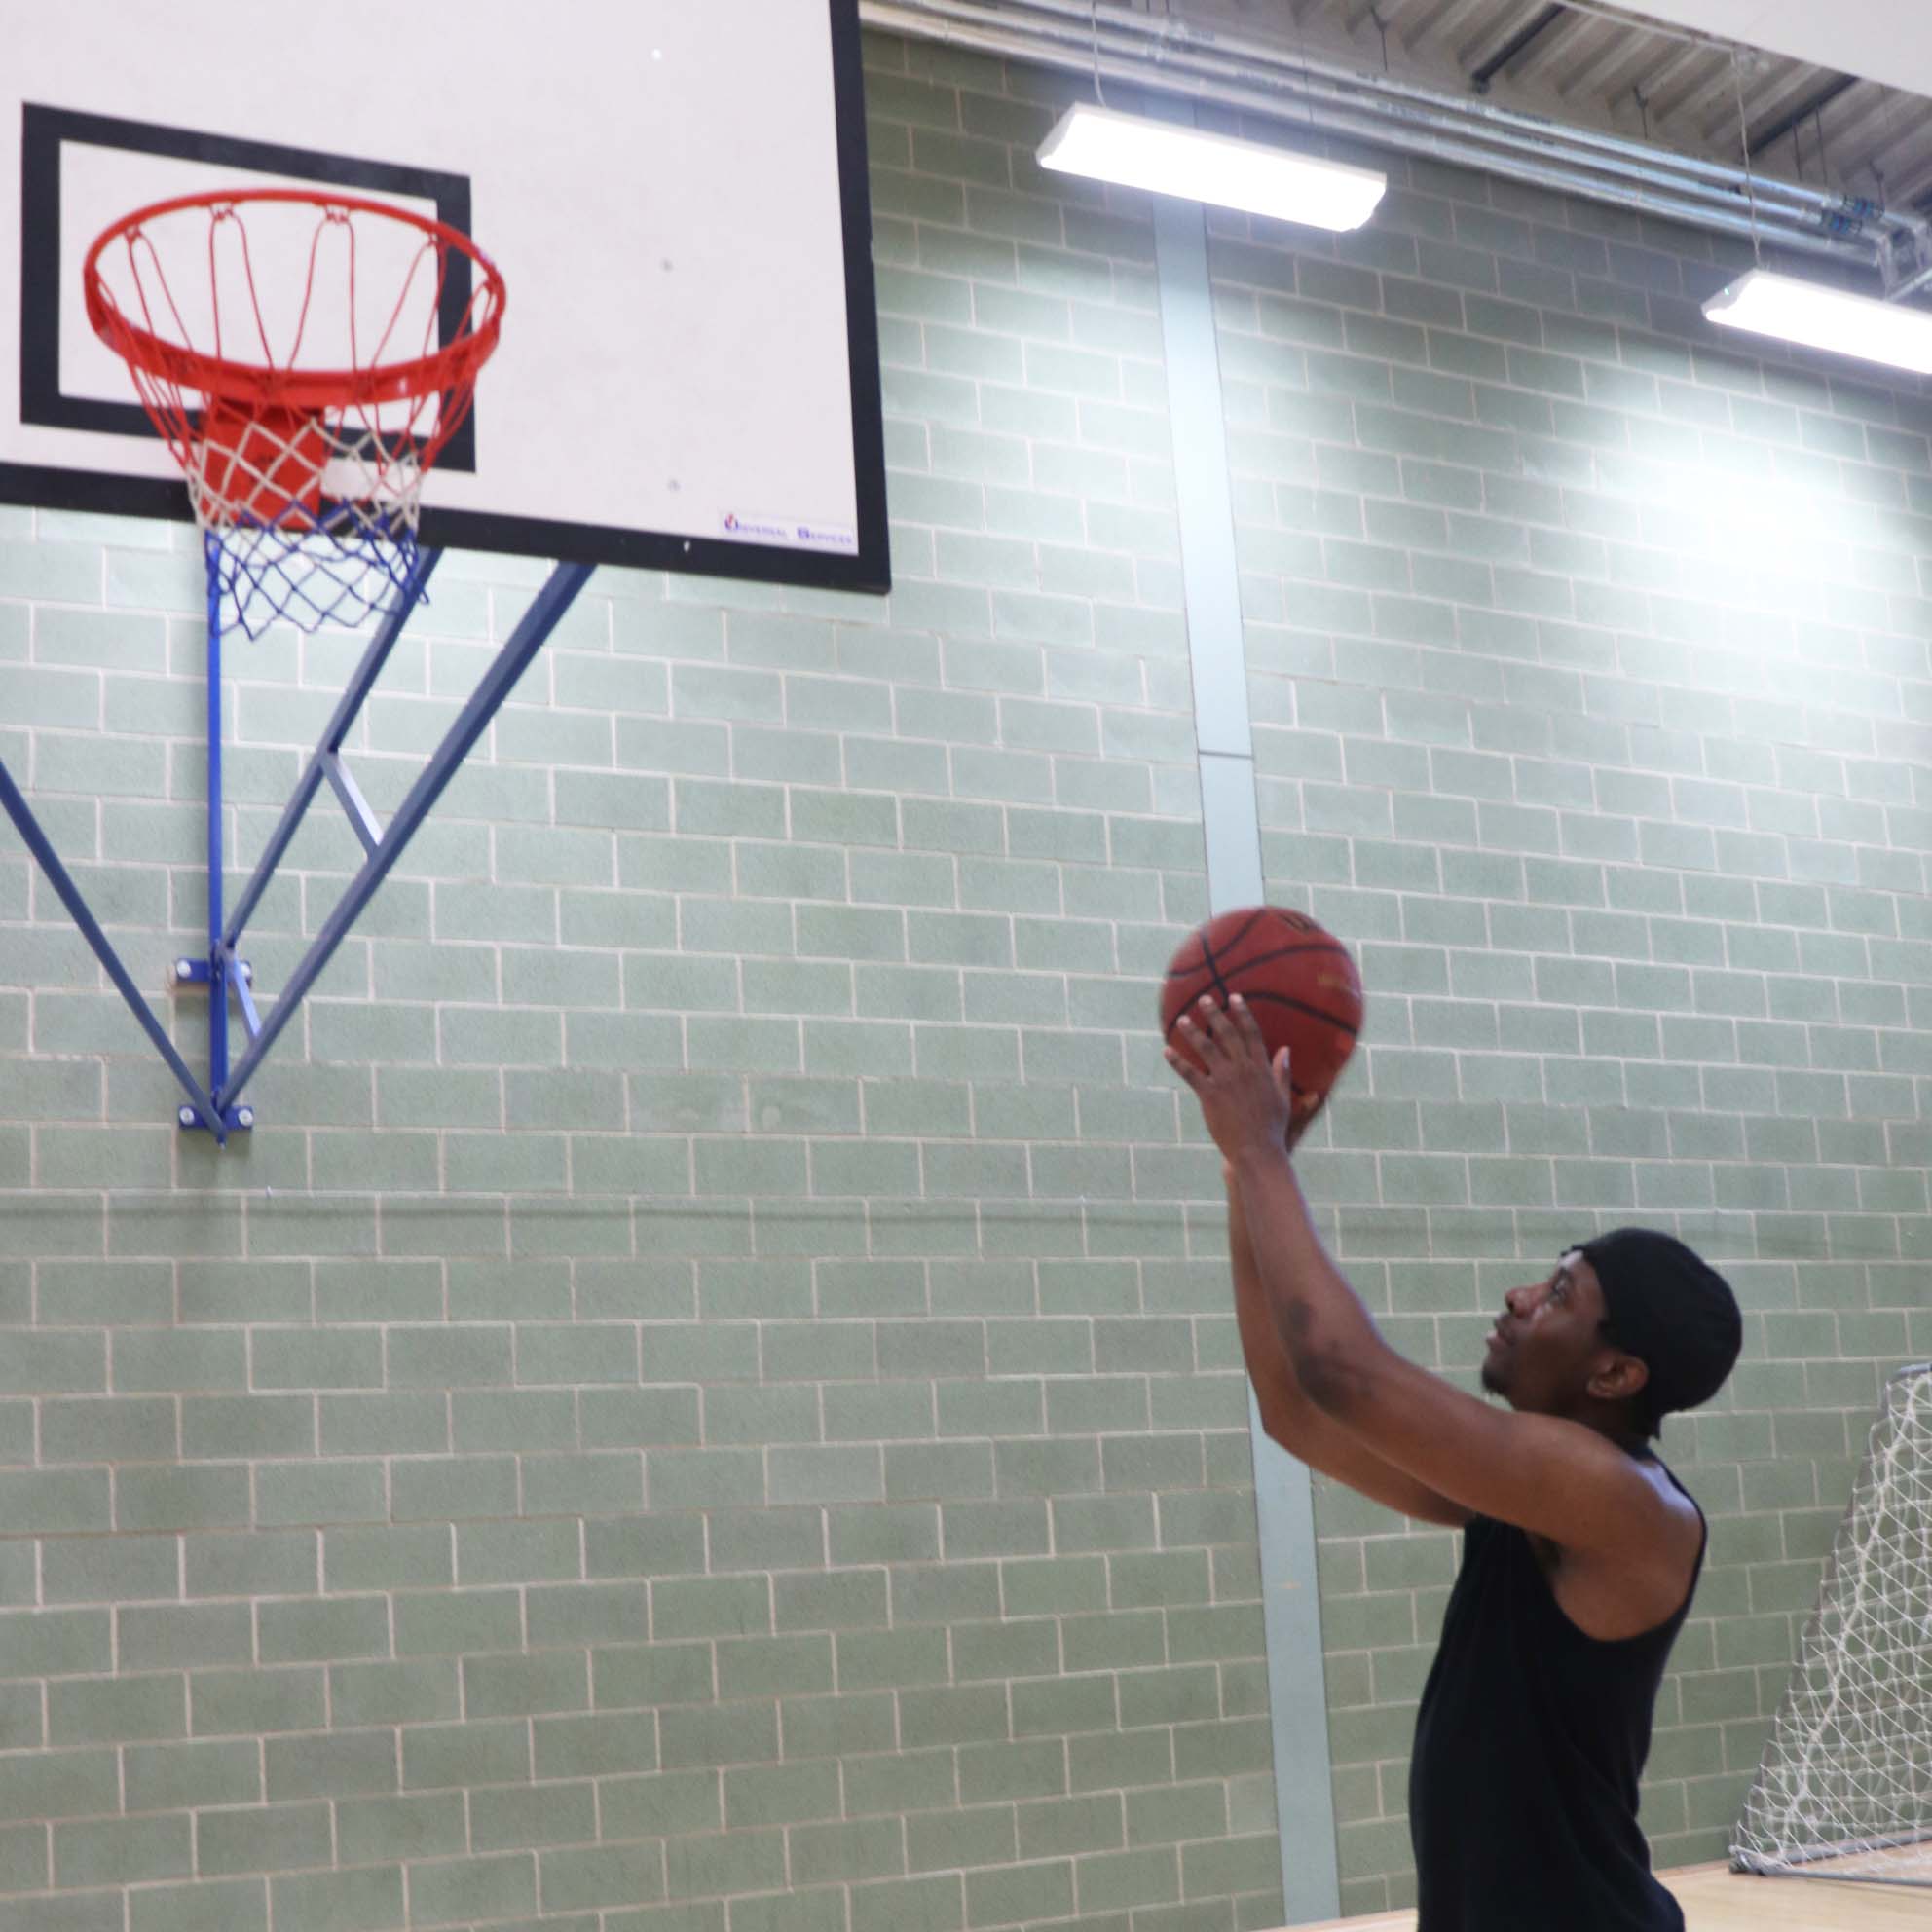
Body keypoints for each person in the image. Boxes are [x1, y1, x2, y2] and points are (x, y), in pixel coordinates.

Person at [1167, 994, 1743, 1932]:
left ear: (1616, 1371)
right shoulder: (1523, 1497)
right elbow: (1296, 1409)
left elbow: (1342, 1372)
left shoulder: (1623, 1503)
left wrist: (1267, 1153)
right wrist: (1244, 1169)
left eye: (1560, 1293)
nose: (1521, 1295)